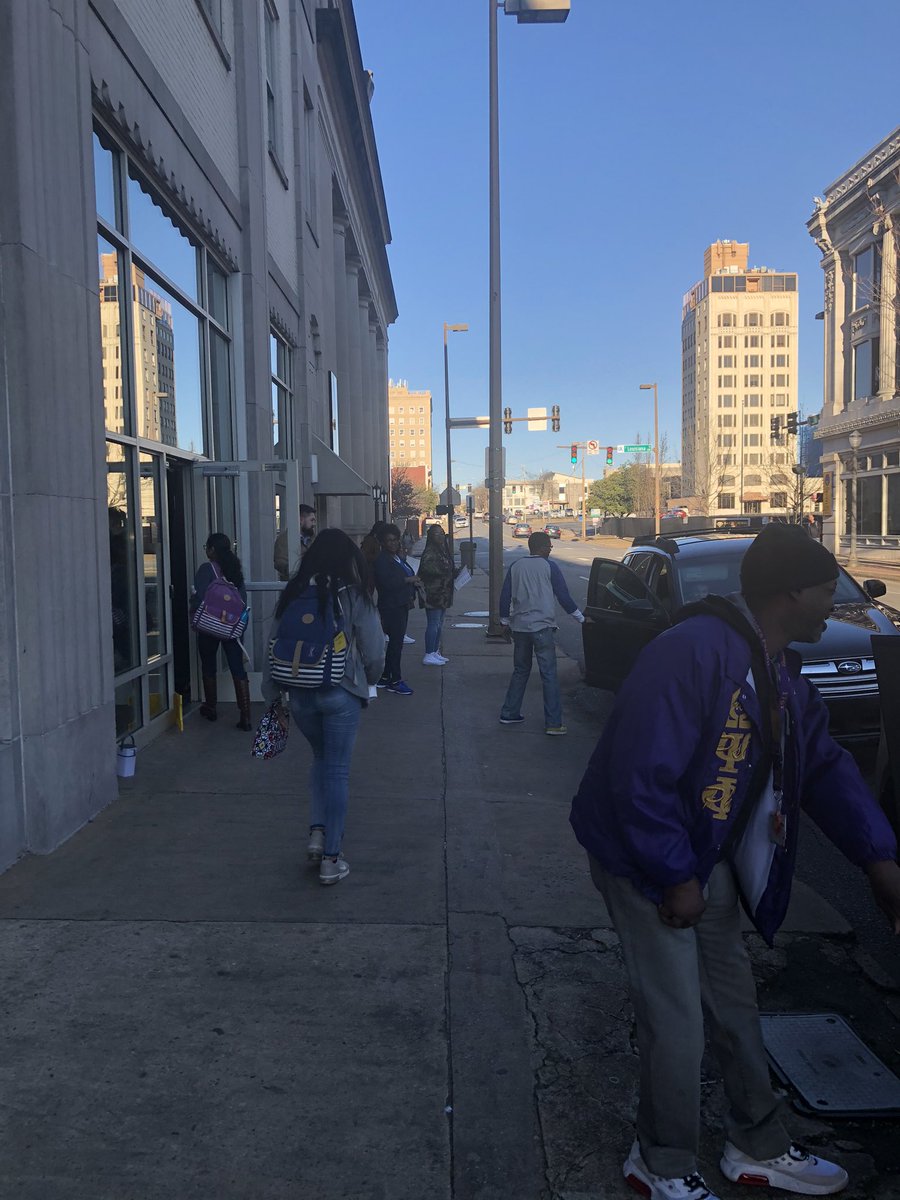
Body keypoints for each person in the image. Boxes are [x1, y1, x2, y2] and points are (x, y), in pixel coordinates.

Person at [569, 523, 900, 1200]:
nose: (830, 604)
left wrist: (877, 858)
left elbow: (824, 768)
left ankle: (757, 1144)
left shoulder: (776, 668)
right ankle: (658, 1161)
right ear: (789, 594)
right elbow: (638, 777)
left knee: (734, 1008)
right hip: (646, 860)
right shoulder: (689, 652)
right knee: (676, 1023)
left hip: (701, 855)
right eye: (821, 590)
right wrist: (676, 876)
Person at [263, 528, 384, 885]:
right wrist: (371, 680)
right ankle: (332, 857)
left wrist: (272, 692)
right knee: (338, 770)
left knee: (320, 760)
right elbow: (374, 647)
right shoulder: (352, 592)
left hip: (299, 695)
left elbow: (273, 641)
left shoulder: (295, 590)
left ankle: (317, 833)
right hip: (339, 691)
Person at [499, 530, 585, 734]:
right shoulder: (549, 567)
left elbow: (505, 596)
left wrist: (504, 622)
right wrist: (581, 618)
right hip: (542, 627)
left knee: (520, 670)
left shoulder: (516, 566)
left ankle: (509, 713)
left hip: (520, 627)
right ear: (542, 547)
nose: (550, 549)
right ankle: (553, 723)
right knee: (548, 675)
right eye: (549, 546)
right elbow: (563, 597)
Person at [192, 532, 251, 730]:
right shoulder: (235, 569)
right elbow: (242, 601)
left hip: (209, 627)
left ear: (211, 550)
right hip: (231, 627)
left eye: (206, 548)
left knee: (208, 666)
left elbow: (200, 597)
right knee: (237, 667)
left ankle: (210, 708)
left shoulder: (206, 569)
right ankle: (245, 715)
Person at [373, 524, 418, 695]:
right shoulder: (382, 560)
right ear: (383, 543)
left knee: (395, 643)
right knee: (395, 644)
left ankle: (385, 677)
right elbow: (386, 584)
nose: (393, 543)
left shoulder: (397, 558)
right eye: (389, 541)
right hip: (391, 606)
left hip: (401, 604)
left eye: (395, 540)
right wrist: (408, 580)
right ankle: (395, 680)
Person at [418, 524, 454, 666]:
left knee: (439, 624)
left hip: (444, 593)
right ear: (431, 537)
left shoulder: (443, 550)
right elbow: (426, 570)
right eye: (437, 534)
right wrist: (446, 572)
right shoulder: (430, 552)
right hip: (433, 594)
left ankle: (434, 651)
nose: (440, 537)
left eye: (442, 534)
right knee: (433, 623)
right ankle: (428, 653)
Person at [274, 503, 316, 582]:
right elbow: (280, 562)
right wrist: (298, 570)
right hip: (293, 584)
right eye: (312, 520)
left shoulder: (314, 539)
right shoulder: (284, 539)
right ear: (301, 520)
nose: (314, 524)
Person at [361, 520, 389, 596]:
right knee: (369, 590)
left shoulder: (380, 540)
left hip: (378, 569)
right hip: (370, 570)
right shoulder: (370, 540)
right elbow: (364, 555)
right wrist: (378, 556)